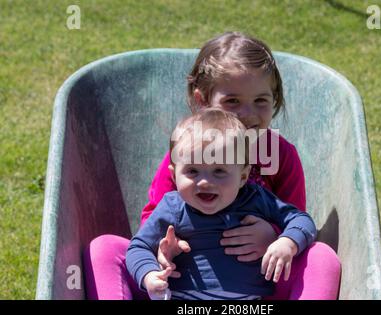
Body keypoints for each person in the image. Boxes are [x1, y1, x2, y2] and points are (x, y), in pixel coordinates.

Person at [84, 31, 341, 300]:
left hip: (258, 283)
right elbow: (155, 218)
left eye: (260, 101)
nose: (248, 114)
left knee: (321, 257)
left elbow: (296, 218)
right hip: (185, 284)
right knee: (104, 248)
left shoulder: (278, 155)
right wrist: (163, 249)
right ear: (203, 101)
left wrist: (276, 237)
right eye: (233, 101)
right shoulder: (187, 151)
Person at [126, 109, 317, 300]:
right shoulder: (173, 207)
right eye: (192, 171)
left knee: (320, 255)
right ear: (174, 174)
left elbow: (301, 219)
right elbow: (138, 247)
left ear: (243, 176)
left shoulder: (254, 198)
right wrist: (149, 274)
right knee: (106, 247)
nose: (205, 182)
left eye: (219, 171)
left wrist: (287, 242)